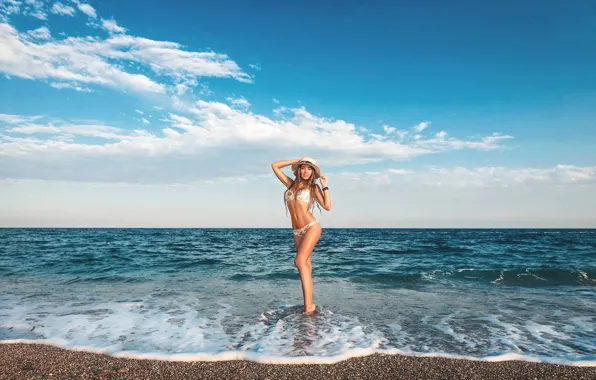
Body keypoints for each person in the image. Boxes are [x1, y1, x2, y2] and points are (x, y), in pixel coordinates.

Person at [271, 157, 332, 313]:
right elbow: (275, 166)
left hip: (311, 227)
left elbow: (327, 207)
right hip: (297, 231)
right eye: (303, 167)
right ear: (298, 169)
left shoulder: (314, 187)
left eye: (309, 168)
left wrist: (325, 187)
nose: (305, 171)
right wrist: (297, 160)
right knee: (305, 267)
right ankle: (309, 304)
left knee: (299, 261)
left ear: (313, 172)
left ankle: (308, 306)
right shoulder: (290, 184)